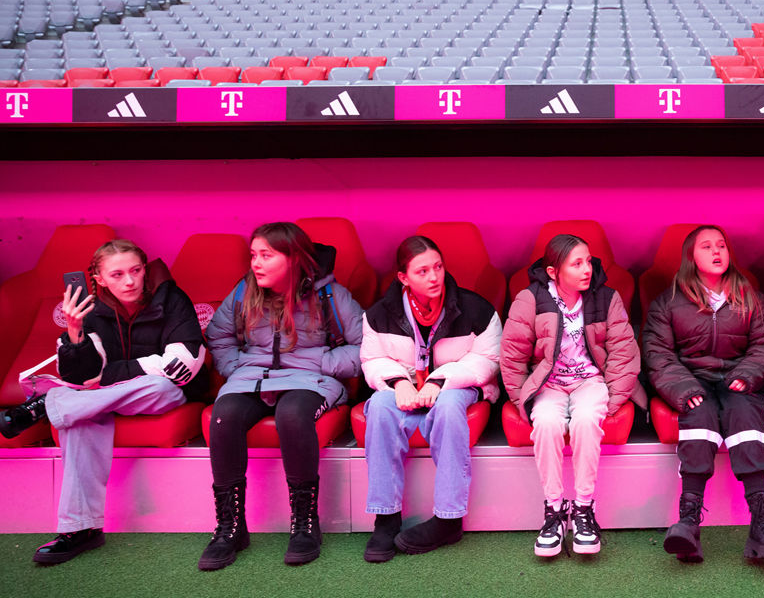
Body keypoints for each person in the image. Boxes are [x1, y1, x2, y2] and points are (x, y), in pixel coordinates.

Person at [0, 240, 206, 565]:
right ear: (99, 278)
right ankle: (81, 529)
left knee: (152, 384)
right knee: (79, 417)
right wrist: (74, 330)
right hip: (101, 400)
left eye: (136, 271)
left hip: (164, 393)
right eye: (118, 274)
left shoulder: (171, 298)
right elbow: (82, 377)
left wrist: (107, 377)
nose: (130, 281)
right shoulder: (91, 310)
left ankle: (48, 404)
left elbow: (182, 364)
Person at [199, 222, 363, 570]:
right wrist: (235, 368)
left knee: (292, 415)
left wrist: (321, 361)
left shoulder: (331, 295)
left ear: (293, 260)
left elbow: (366, 346)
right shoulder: (245, 291)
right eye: (254, 255)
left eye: (266, 256)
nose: (256, 263)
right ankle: (230, 526)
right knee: (223, 416)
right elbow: (219, 336)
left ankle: (304, 523)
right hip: (251, 378)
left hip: (312, 380)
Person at [643, 225, 764, 563]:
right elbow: (657, 354)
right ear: (690, 258)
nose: (716, 252)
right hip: (692, 382)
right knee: (699, 419)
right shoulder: (668, 301)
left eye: (722, 245)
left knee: (746, 420)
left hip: (740, 381)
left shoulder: (749, 296)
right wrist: (683, 387)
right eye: (706, 246)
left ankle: (762, 526)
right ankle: (689, 522)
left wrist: (746, 375)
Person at [359, 236, 502, 562]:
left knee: (450, 408)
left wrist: (440, 380)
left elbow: (488, 360)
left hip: (457, 386)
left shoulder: (476, 308)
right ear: (403, 278)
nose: (434, 277)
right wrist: (398, 383)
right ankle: (386, 518)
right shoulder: (379, 314)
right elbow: (372, 361)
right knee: (380, 408)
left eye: (437, 267)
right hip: (405, 388)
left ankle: (449, 519)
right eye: (422, 271)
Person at [500, 234, 641, 558]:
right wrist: (524, 396)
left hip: (590, 381)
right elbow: (512, 354)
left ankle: (583, 508)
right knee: (547, 423)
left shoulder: (606, 298)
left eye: (588, 261)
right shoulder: (530, 299)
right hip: (548, 384)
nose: (586, 269)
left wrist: (613, 397)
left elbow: (623, 352)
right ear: (553, 271)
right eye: (576, 263)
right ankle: (553, 510)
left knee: (587, 420)